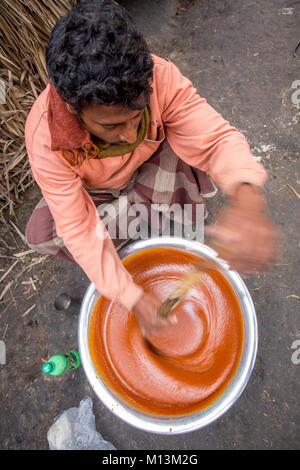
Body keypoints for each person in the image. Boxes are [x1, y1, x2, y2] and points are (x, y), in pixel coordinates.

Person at [25, 0, 279, 336]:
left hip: (153, 161)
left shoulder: (160, 76)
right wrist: (129, 295)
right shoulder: (45, 135)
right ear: (74, 108)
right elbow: (77, 225)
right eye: (111, 125)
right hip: (99, 191)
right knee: (43, 233)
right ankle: (141, 222)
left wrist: (248, 196)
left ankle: (154, 216)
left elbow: (215, 138)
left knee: (197, 149)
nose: (130, 133)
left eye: (136, 116)